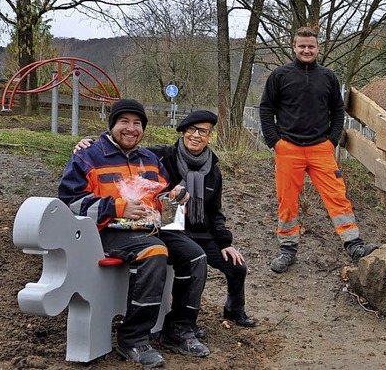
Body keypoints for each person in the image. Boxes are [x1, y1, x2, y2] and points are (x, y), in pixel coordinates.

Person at [75, 110, 256, 335]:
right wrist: (90, 141)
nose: (196, 135)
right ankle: (175, 324)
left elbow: (215, 211)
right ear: (182, 132)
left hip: (200, 231)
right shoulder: (160, 156)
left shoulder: (214, 171)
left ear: (210, 136)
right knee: (188, 257)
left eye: (203, 131)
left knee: (237, 266)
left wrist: (224, 241)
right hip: (168, 229)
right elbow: (124, 147)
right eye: (191, 129)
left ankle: (232, 310)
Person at [59, 99, 209, 367]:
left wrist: (175, 192)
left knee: (195, 256)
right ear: (113, 125)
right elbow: (69, 201)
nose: (131, 129)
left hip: (147, 227)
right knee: (155, 251)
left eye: (137, 123)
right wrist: (116, 207)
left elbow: (162, 188)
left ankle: (178, 328)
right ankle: (133, 338)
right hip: (104, 231)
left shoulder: (149, 158)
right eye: (124, 122)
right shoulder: (87, 155)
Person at [259, 26, 378, 273]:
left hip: (320, 149)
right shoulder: (279, 75)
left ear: (318, 48)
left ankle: (354, 245)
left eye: (311, 46)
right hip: (288, 148)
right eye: (301, 46)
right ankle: (287, 248)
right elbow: (265, 109)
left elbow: (337, 111)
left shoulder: (328, 77)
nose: (306, 50)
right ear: (294, 47)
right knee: (287, 201)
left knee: (337, 196)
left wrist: (331, 140)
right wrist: (275, 142)